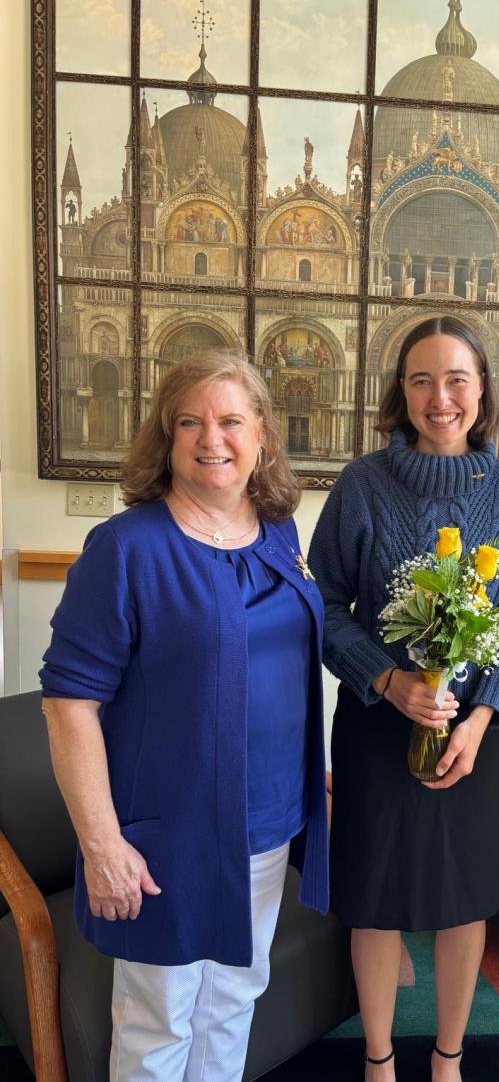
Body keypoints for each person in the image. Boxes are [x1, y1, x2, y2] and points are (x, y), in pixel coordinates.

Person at [40, 351, 328, 1081]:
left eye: (232, 420)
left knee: (234, 995)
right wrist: (102, 844)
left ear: (261, 433)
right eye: (190, 422)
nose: (213, 438)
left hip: (264, 820)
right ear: (166, 437)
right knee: (158, 1017)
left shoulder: (278, 534)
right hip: (166, 834)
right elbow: (69, 701)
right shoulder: (127, 549)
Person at [308, 316, 499, 1082]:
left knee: (462, 899)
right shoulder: (361, 485)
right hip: (379, 728)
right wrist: (387, 679)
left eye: (456, 379)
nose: (439, 397)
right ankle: (378, 1061)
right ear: (399, 390)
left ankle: (448, 1059)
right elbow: (324, 604)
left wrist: (481, 719)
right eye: (421, 379)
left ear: (483, 389)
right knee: (373, 897)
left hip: (472, 736)